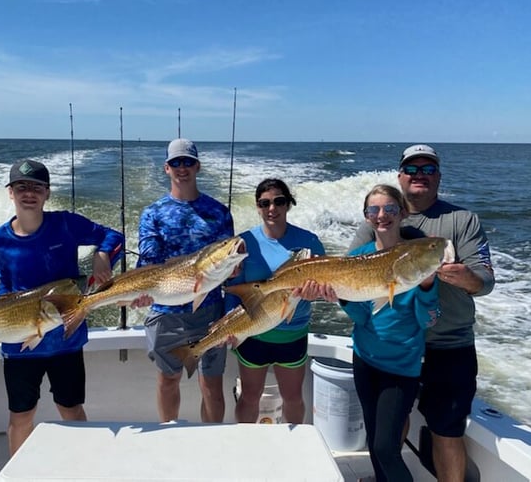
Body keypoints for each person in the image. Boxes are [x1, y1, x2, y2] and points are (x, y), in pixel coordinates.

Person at [350, 145, 495, 482]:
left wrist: (466, 277)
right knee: (389, 430)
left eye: (428, 170)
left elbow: (485, 280)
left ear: (439, 177)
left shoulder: (463, 220)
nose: (420, 176)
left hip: (448, 343)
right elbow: (352, 276)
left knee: (446, 431)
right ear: (400, 177)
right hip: (393, 347)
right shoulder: (379, 220)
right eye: (411, 170)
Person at [0, 159, 124, 456]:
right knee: (21, 416)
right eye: (22, 187)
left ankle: (83, 467)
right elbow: (5, 288)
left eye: (37, 187)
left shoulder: (66, 224)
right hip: (21, 343)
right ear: (11, 193)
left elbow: (114, 237)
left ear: (47, 193)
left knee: (71, 408)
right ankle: (17, 474)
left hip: (66, 340)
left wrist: (103, 255)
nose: (29, 193)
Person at [340, 184, 439, 482]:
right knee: (375, 441)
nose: (382, 216)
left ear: (402, 213)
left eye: (390, 209)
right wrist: (342, 296)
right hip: (364, 360)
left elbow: (429, 320)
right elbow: (362, 317)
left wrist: (426, 286)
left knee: (386, 448)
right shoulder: (357, 256)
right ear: (367, 216)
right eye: (374, 210)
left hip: (400, 369)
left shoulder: (417, 256)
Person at [136, 138, 235, 423]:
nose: (183, 168)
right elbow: (149, 257)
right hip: (166, 311)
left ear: (197, 166)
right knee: (168, 380)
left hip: (211, 311)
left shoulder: (218, 211)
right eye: (176, 163)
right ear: (166, 168)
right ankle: (169, 436)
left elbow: (228, 258)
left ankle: (212, 442)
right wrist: (143, 289)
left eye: (188, 162)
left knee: (212, 387)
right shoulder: (152, 213)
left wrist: (234, 271)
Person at [225, 178, 326, 424]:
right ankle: (245, 444)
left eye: (279, 201)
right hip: (254, 333)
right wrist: (229, 325)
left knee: (292, 397)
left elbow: (325, 284)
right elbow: (232, 288)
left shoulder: (309, 242)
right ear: (258, 207)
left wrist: (316, 293)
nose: (272, 208)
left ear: (288, 204)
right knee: (249, 396)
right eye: (265, 203)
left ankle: (292, 448)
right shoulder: (243, 242)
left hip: (292, 333)